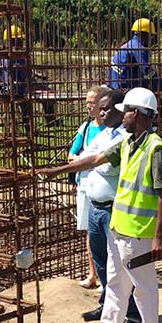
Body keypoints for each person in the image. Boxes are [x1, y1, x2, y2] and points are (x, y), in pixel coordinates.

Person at [39, 87, 162, 323]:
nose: (122, 117)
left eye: (126, 112)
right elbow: (95, 159)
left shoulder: (156, 148)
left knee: (144, 286)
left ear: (137, 113)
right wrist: (57, 171)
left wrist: (159, 237)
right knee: (115, 280)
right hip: (119, 226)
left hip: (139, 232)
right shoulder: (128, 144)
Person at [79, 89, 142, 323]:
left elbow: (95, 161)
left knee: (122, 265)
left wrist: (88, 161)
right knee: (101, 260)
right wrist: (88, 160)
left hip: (113, 208)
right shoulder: (102, 133)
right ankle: (108, 304)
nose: (101, 112)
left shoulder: (122, 138)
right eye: (101, 108)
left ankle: (133, 314)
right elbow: (85, 155)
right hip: (97, 208)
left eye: (106, 108)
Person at [69, 85, 107, 289]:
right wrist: (86, 160)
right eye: (87, 103)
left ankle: (105, 276)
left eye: (91, 102)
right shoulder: (85, 128)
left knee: (105, 232)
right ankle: (93, 274)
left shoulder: (110, 130)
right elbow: (71, 154)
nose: (88, 107)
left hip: (104, 186)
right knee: (90, 232)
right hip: (85, 184)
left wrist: (84, 159)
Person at [0, 25, 55, 131]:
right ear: (14, 40)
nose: (22, 42)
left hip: (6, 88)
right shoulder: (18, 55)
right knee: (48, 92)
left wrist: (36, 75)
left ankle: (29, 128)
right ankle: (51, 121)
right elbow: (25, 75)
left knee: (26, 108)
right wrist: (34, 79)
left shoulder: (4, 56)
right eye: (20, 39)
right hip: (20, 88)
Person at [108, 18, 162, 92]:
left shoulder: (129, 44)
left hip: (113, 85)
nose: (151, 38)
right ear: (145, 34)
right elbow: (147, 71)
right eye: (151, 35)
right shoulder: (139, 49)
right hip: (124, 88)